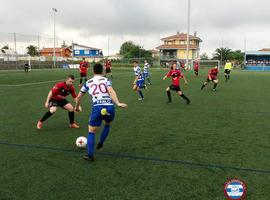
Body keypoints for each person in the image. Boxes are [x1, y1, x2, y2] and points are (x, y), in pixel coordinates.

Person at [75, 63, 128, 161]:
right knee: (107, 124)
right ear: (102, 71)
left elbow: (79, 97)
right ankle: (101, 142)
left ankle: (90, 155)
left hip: (97, 107)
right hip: (110, 107)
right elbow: (111, 91)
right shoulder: (106, 80)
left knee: (91, 131)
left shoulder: (88, 82)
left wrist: (77, 107)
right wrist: (118, 103)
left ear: (93, 71)